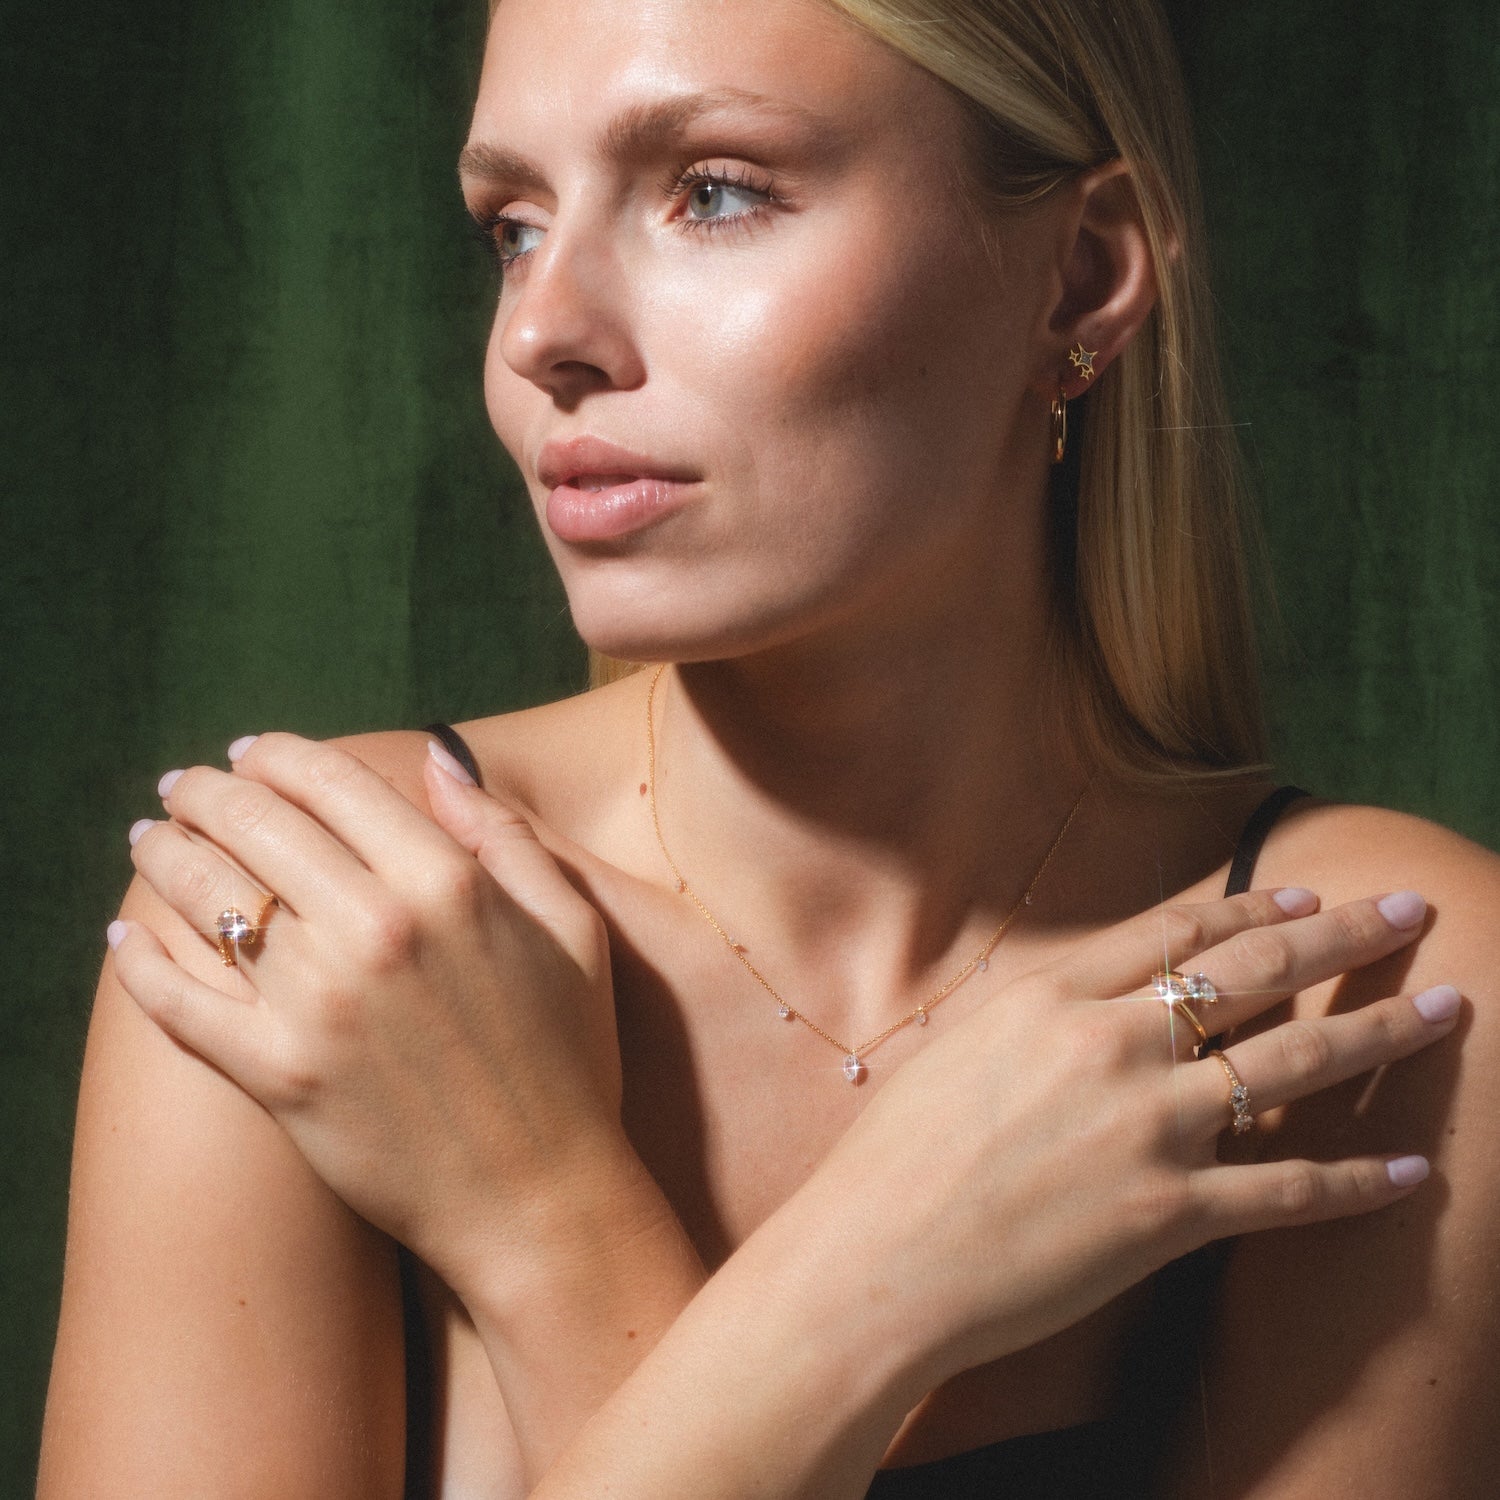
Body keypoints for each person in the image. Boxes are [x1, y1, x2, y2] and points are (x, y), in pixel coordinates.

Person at [38, 0, 1500, 1495]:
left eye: (714, 192)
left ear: (1084, 274)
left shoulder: (1364, 988)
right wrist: (840, 1285)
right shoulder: (321, 917)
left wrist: (556, 1240)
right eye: (514, 224)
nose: (542, 332)